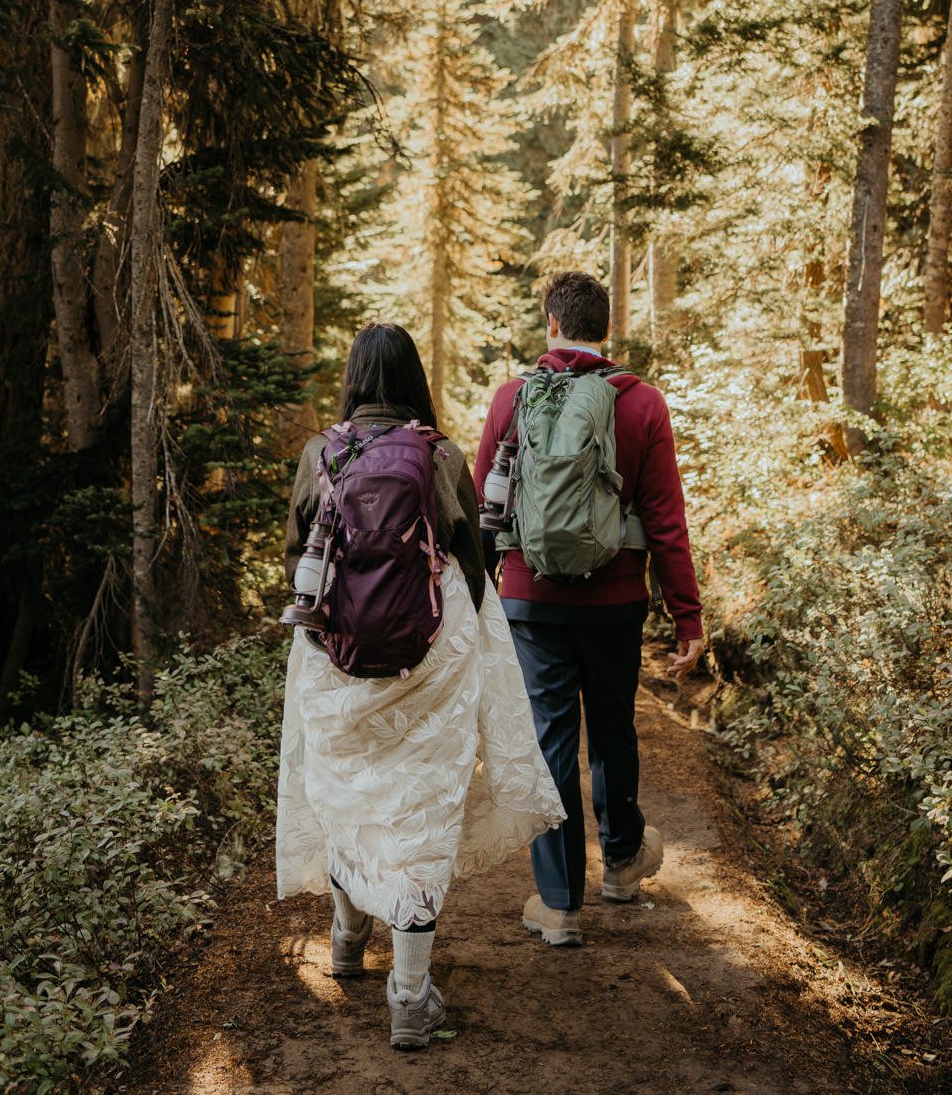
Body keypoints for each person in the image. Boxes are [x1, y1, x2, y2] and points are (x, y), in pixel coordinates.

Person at [276, 322, 566, 1050]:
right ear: (412, 381)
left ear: (352, 378)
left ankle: (346, 938)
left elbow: (295, 558)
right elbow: (474, 560)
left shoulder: (320, 452)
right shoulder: (438, 454)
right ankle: (408, 995)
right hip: (430, 658)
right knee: (419, 811)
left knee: (348, 794)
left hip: (336, 657)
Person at [474, 270, 704, 948]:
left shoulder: (513, 398)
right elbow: (666, 520)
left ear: (551, 323)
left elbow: (486, 507)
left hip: (530, 599)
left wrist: (480, 592)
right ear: (606, 329)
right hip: (615, 599)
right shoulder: (641, 404)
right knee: (611, 731)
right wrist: (686, 615)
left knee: (550, 741)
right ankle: (624, 865)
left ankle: (559, 902)